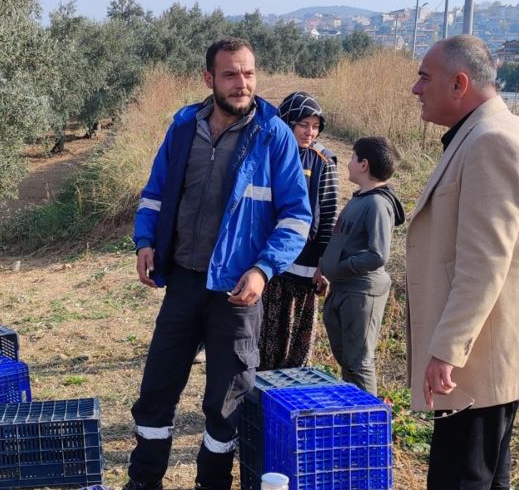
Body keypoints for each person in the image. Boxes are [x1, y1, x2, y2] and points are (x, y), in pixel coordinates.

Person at [125, 38, 312, 490]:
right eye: (230, 74)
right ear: (209, 79)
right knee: (156, 393)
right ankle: (143, 481)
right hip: (184, 283)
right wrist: (145, 242)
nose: (241, 83)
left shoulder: (274, 137)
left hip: (237, 292)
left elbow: (296, 216)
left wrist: (263, 269)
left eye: (248, 73)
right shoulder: (184, 129)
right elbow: (154, 193)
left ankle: (212, 485)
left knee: (224, 403)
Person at [407, 35, 519, 489]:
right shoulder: (490, 132)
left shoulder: (491, 142)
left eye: (424, 77)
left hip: (480, 353)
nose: (415, 89)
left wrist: (447, 349)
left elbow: (484, 262)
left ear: (459, 83)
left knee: (461, 477)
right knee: (485, 474)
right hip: (486, 349)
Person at [258, 92, 339, 370]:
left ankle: (290, 394)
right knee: (267, 332)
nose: (310, 132)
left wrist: (323, 264)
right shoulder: (269, 153)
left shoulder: (323, 162)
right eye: (303, 124)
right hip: (271, 260)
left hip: (305, 264)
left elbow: (328, 216)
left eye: (315, 126)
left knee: (297, 339)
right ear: (287, 121)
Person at [319, 137, 404, 395]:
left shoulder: (377, 204)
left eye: (353, 158)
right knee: (349, 360)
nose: (349, 163)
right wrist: (326, 267)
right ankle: (353, 415)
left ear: (364, 165)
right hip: (345, 290)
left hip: (361, 292)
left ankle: (369, 427)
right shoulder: (361, 198)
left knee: (359, 363)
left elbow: (377, 255)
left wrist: (340, 267)